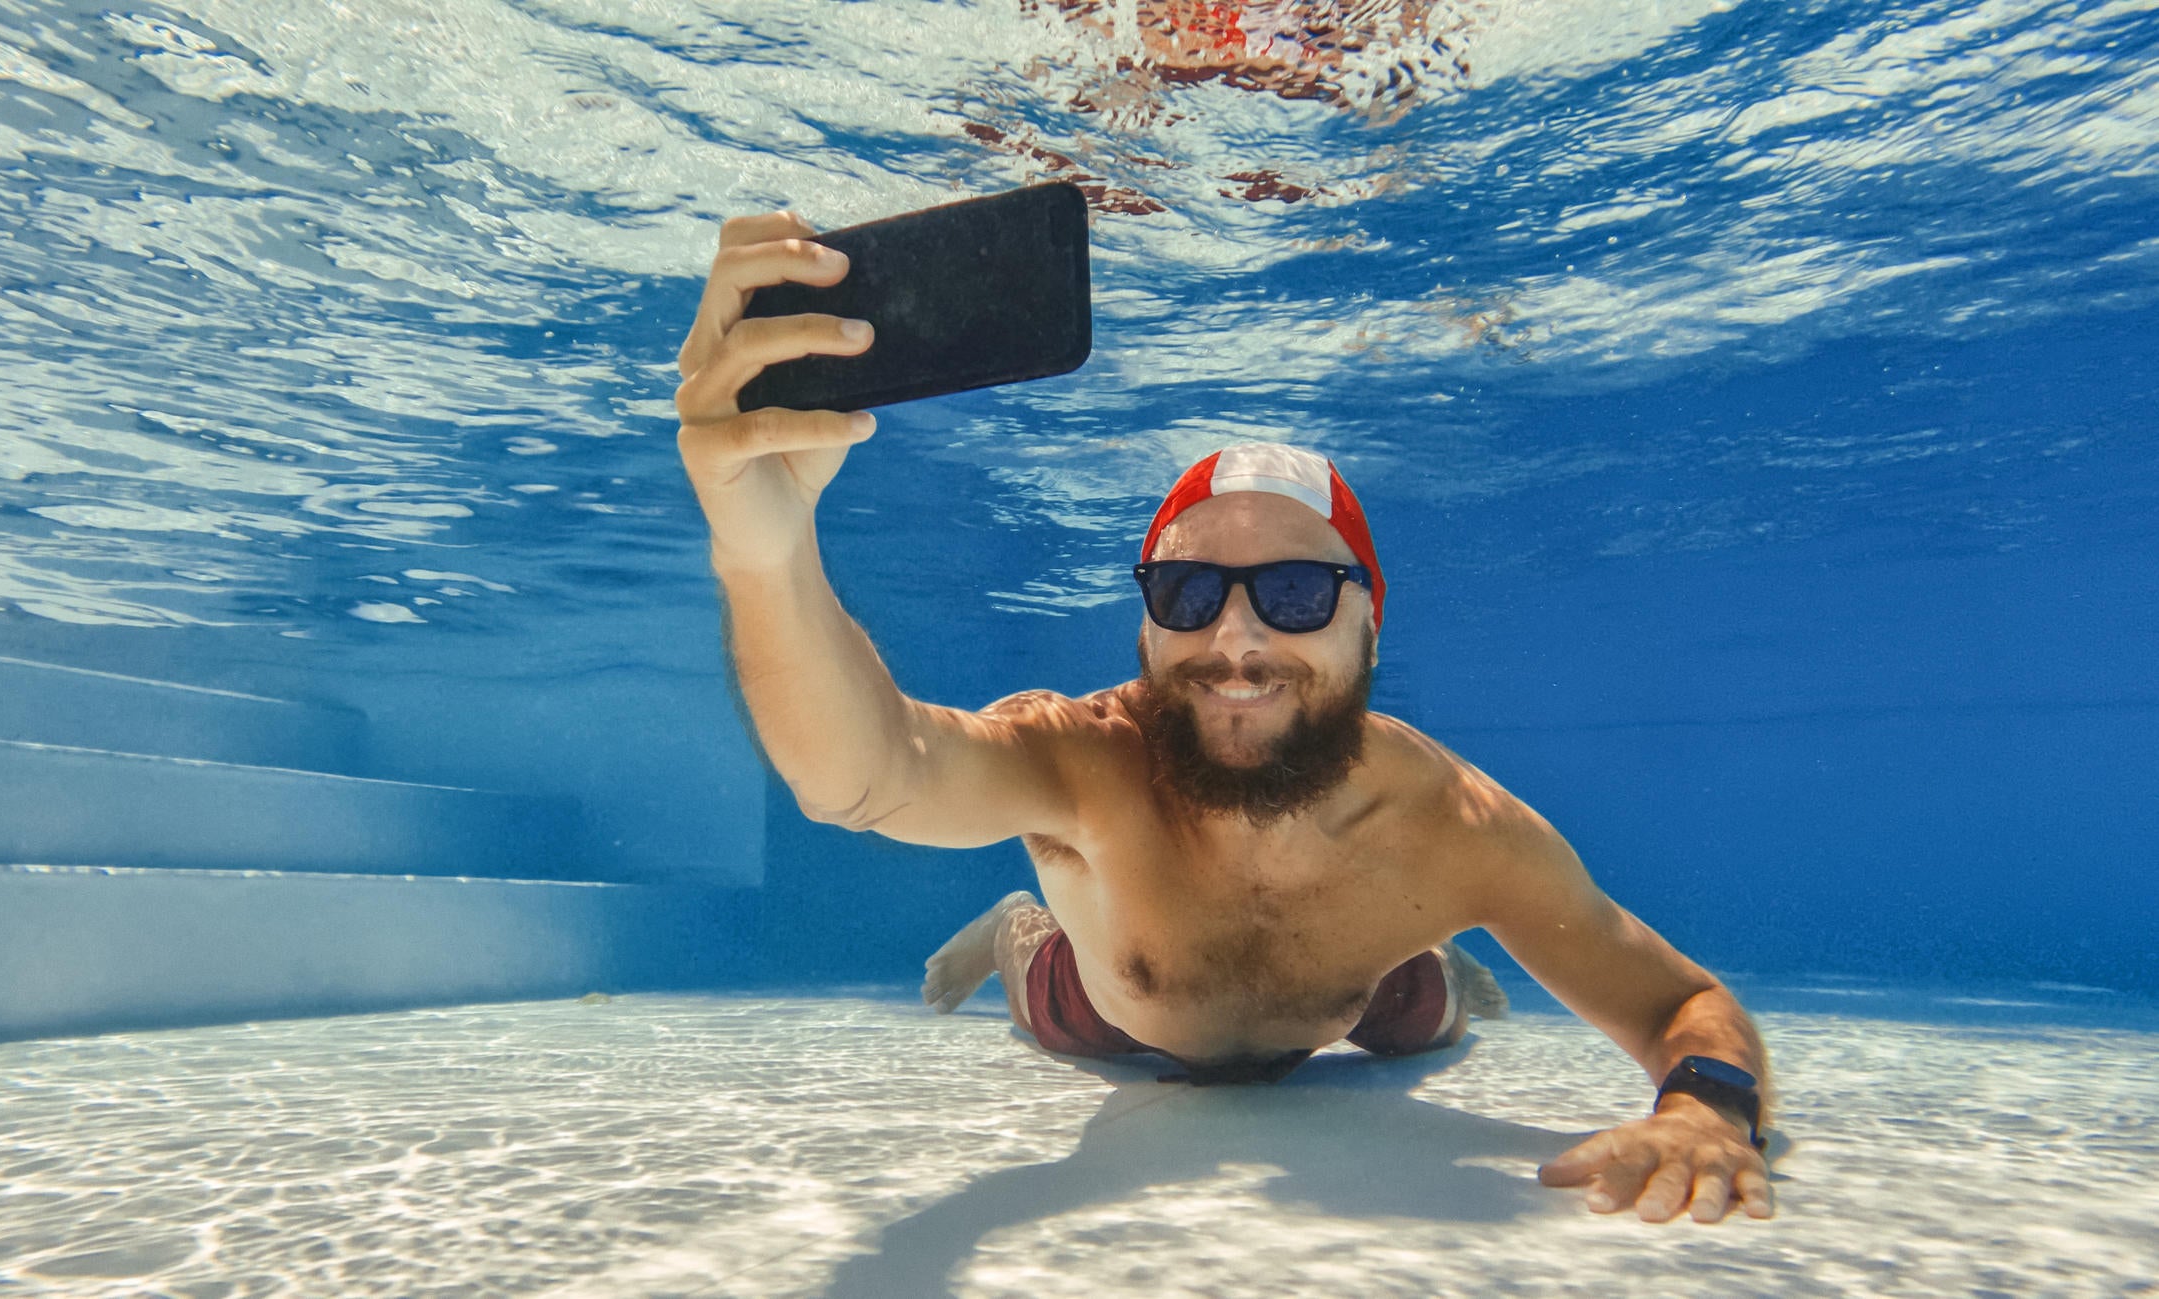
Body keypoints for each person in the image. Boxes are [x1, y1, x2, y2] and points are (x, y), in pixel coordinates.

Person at [673, 211, 1776, 1225]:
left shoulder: (1451, 827)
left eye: (1294, 595)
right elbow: (867, 773)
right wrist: (762, 553)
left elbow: (1680, 1003)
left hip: (1341, 1000)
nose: (1236, 646)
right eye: (1188, 596)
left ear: (1369, 630)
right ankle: (1016, 921)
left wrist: (1703, 1114)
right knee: (1045, 994)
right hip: (1116, 1008)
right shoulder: (1083, 763)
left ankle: (1423, 963)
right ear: (1146, 633)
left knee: (1419, 1013)